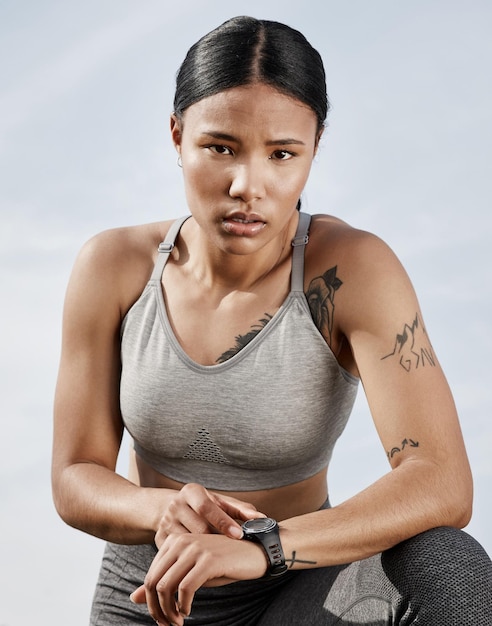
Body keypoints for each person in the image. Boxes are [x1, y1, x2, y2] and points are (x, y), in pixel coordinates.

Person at [52, 15, 492, 626]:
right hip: (151, 595)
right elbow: (76, 476)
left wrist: (266, 548)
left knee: (452, 566)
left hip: (294, 589)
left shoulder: (351, 270)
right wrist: (162, 511)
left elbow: (443, 482)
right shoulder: (115, 268)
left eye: (282, 154)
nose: (246, 185)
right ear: (176, 136)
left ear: (314, 151)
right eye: (220, 147)